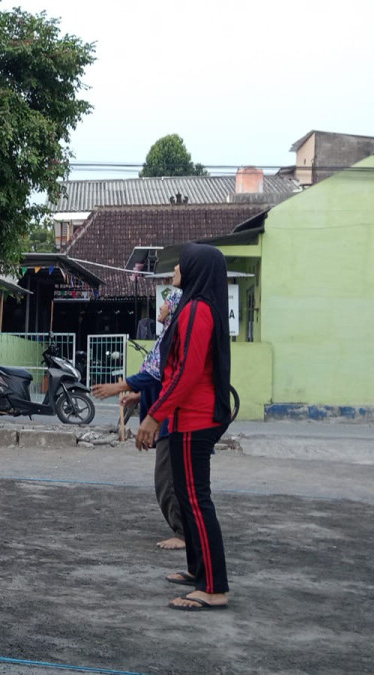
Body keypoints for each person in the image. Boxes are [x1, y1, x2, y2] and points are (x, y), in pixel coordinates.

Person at [137, 244, 233, 611]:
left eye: (183, 262)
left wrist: (154, 414)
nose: (176, 267)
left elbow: (188, 373)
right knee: (187, 496)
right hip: (185, 417)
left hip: (195, 418)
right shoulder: (194, 308)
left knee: (196, 500)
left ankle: (214, 588)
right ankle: (198, 570)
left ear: (196, 269)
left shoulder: (196, 311)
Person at [93, 290, 185, 550]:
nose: (161, 308)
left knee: (167, 479)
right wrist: (137, 396)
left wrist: (119, 386)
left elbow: (156, 375)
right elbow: (155, 378)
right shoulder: (165, 336)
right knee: (169, 477)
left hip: (170, 417)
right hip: (162, 414)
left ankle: (183, 533)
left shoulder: (173, 337)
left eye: (166, 303)